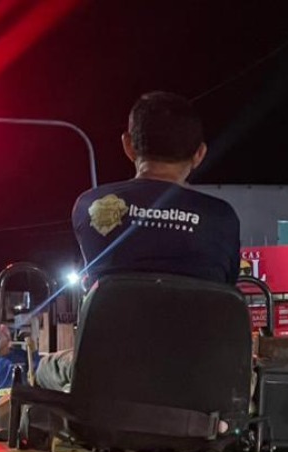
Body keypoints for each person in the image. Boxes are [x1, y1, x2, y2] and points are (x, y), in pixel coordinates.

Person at [35, 91, 240, 392]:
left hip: (109, 373)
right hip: (196, 378)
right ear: (199, 154)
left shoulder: (91, 205)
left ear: (128, 146)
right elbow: (226, 284)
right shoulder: (221, 217)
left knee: (43, 368)